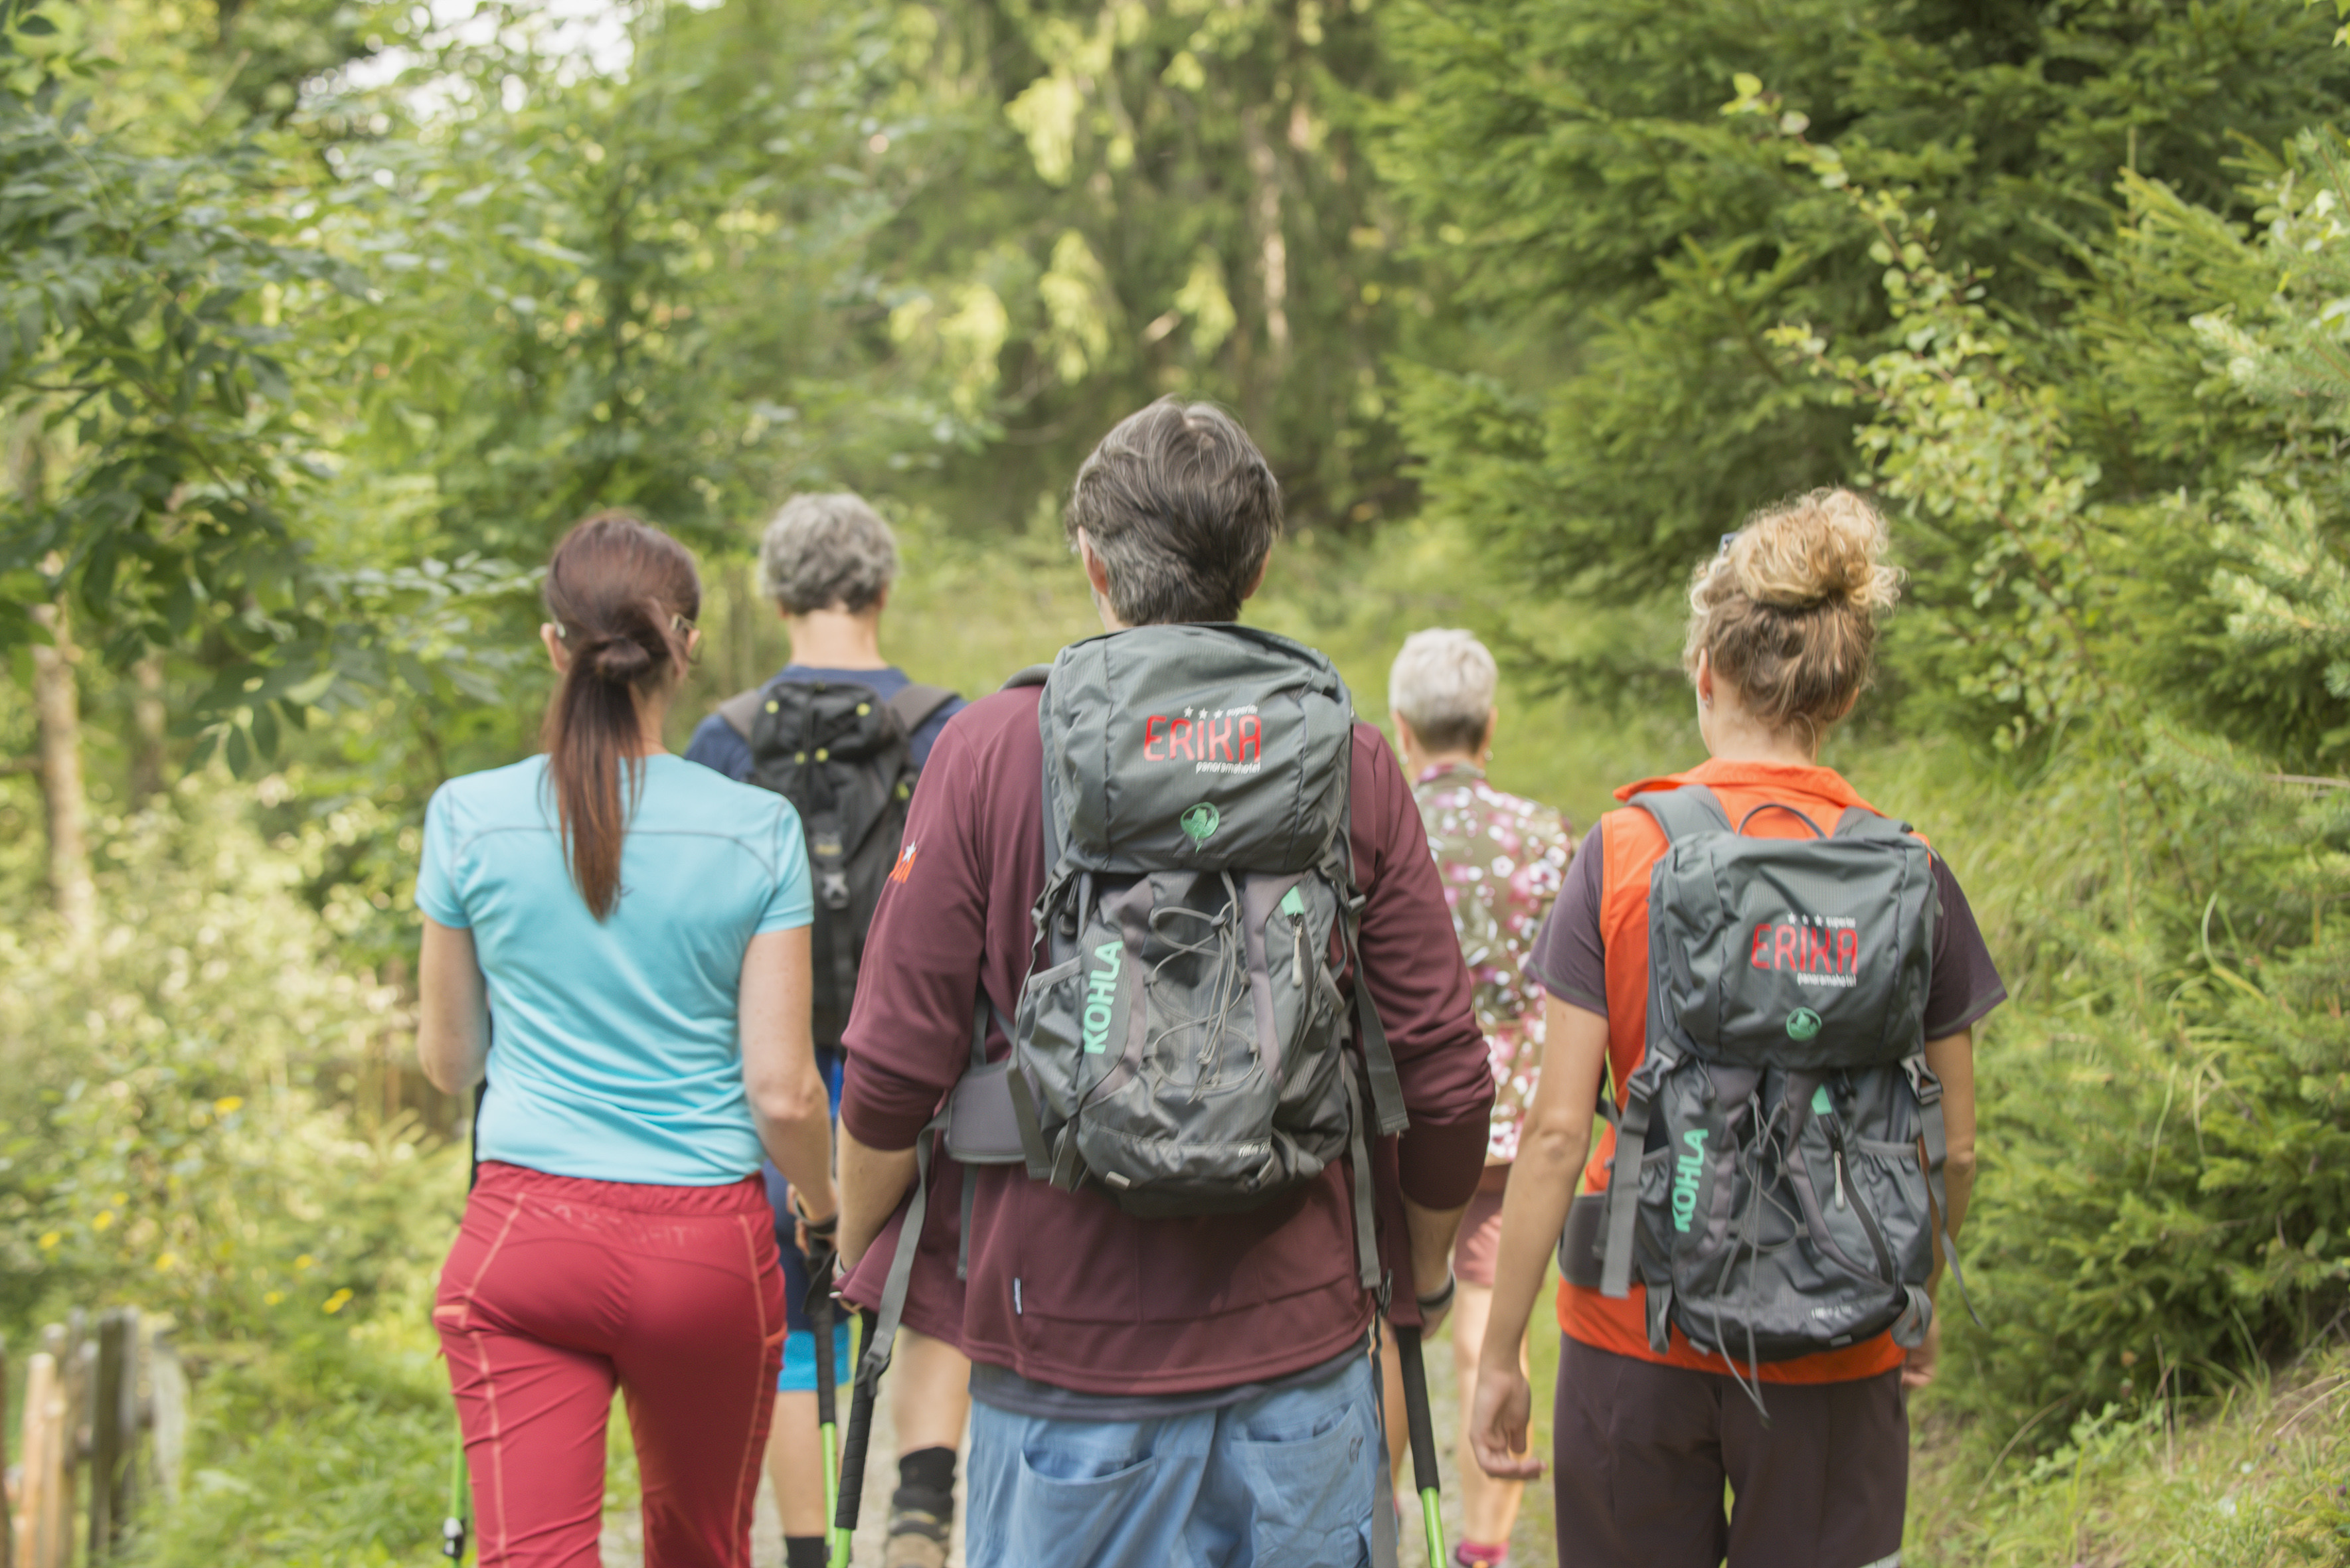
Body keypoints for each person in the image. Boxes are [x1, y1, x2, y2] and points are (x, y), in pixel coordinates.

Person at [832, 398, 1496, 1568]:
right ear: (1262, 561)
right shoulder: (1345, 755)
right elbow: (1445, 1076)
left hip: (1063, 1359)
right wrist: (1425, 1273)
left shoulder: (990, 752)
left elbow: (891, 1067)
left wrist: (856, 1236)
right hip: (1305, 1352)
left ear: (1090, 560)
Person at [1466, 489, 2006, 1568]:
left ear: (1704, 672)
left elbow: (1560, 1134)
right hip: (1842, 1326)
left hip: (1633, 1316)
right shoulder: (1911, 871)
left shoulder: (1622, 853)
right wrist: (1918, 1288)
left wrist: (1500, 1350)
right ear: (1844, 691)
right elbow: (1956, 1142)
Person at [414, 511, 837, 1568]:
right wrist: (828, 1206)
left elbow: (450, 1061)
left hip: (525, 1243)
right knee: (701, 1547)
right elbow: (782, 1089)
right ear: (683, 648)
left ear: (553, 645)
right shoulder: (756, 829)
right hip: (704, 1255)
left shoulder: (468, 817)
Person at [683, 493, 971, 1568]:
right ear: (883, 589)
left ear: (775, 593)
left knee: (798, 1312)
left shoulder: (725, 738)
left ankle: (809, 1551)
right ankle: (919, 1507)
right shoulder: (945, 725)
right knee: (931, 1277)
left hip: (777, 1068)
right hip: (919, 1066)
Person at [1380, 629, 1573, 1568]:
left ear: (1401, 729)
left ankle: (1368, 1532)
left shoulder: (1381, 825)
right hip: (1513, 1126)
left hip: (1402, 1126)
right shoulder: (1544, 836)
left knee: (1397, 1332)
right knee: (1494, 1338)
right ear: (1490, 725)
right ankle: (1483, 1554)